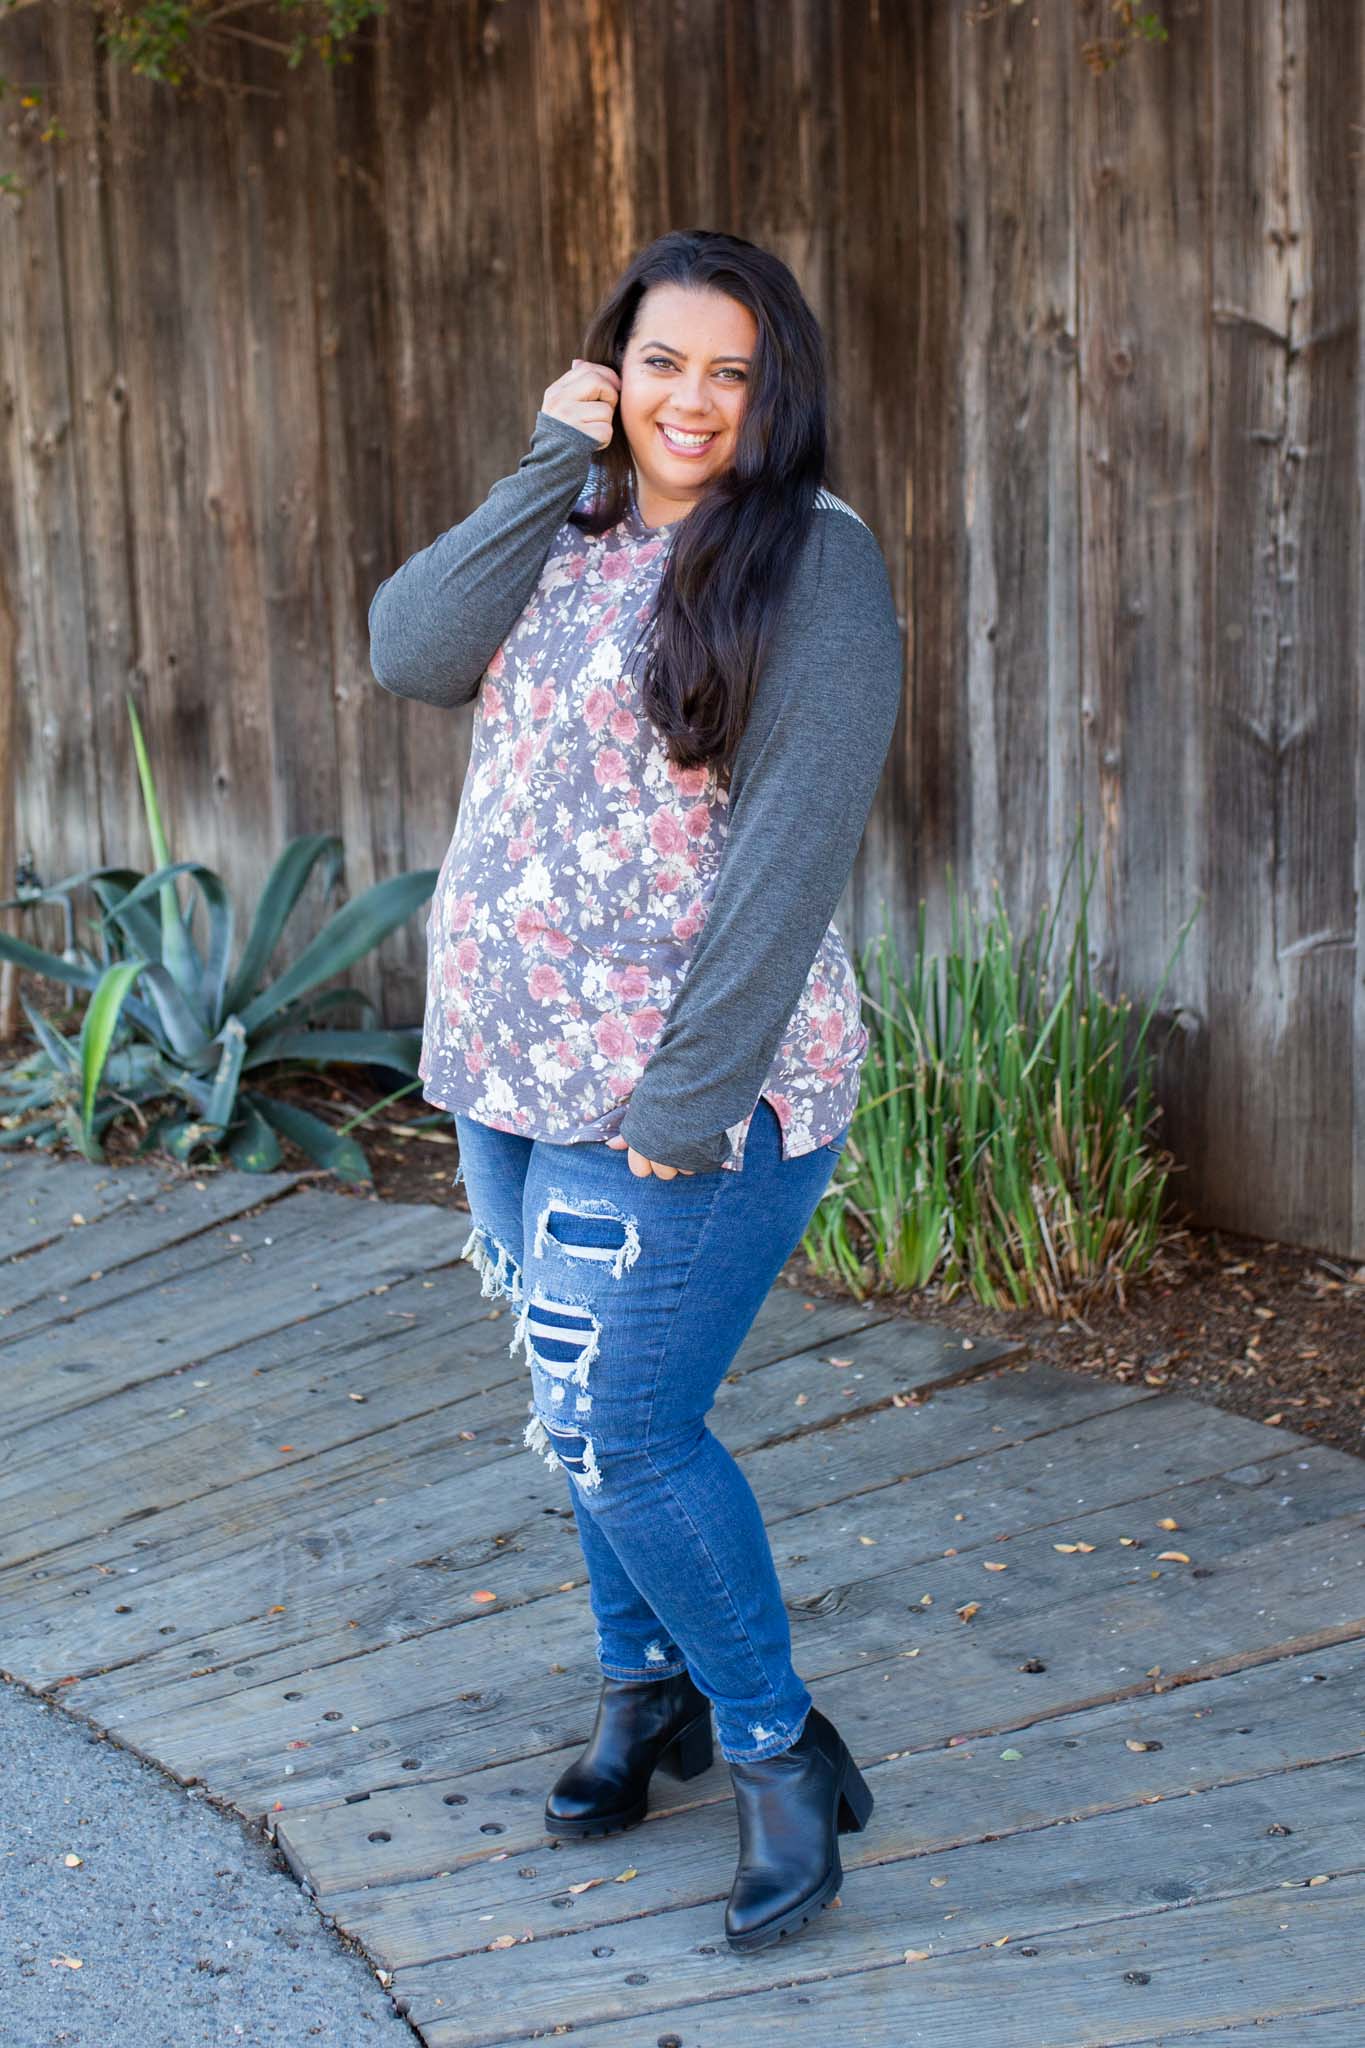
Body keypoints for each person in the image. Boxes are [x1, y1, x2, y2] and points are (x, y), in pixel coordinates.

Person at [368, 228, 902, 1954]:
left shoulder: (813, 563)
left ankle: (774, 1751)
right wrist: (550, 454)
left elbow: (791, 854)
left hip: (681, 1099)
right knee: (567, 1403)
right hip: (505, 1069)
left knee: (624, 1423)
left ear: (776, 395)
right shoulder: (570, 525)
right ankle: (640, 1698)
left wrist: (684, 1106)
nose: (694, 400)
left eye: (732, 373)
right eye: (662, 361)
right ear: (614, 367)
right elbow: (408, 648)